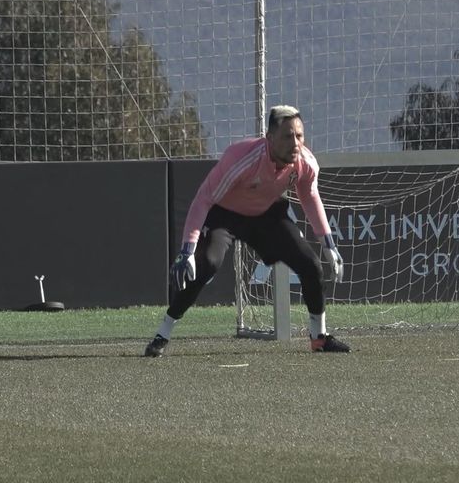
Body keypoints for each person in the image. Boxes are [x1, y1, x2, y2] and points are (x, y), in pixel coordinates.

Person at [144, 105, 350, 357]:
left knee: (311, 265)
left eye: (299, 136)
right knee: (204, 265)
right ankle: (163, 333)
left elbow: (309, 195)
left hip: (266, 215)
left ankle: (319, 338)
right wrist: (188, 250)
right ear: (270, 139)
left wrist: (328, 243)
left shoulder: (305, 163)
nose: (295, 143)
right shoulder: (241, 158)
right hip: (224, 215)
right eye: (288, 136)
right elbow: (203, 199)